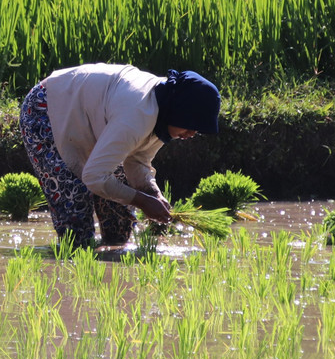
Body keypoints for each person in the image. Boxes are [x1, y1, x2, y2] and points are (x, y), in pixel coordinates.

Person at [19, 63, 220, 248]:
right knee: (74, 204)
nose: (191, 134)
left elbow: (137, 160)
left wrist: (153, 194)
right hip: (48, 108)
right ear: (180, 111)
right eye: (191, 125)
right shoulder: (138, 113)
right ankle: (77, 262)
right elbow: (95, 177)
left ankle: (112, 257)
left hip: (93, 124)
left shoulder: (164, 113)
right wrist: (143, 201)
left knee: (120, 215)